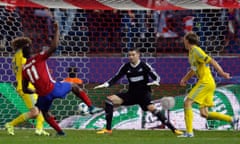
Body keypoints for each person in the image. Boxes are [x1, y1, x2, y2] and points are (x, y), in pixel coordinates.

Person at [20, 22, 102, 136]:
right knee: (73, 86)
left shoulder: (23, 70)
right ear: (32, 52)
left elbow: (24, 89)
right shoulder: (38, 58)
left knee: (45, 113)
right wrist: (57, 29)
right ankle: (91, 107)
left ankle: (60, 132)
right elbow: (54, 47)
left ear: (23, 56)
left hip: (43, 96)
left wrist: (34, 91)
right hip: (53, 88)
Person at [94, 47, 183, 135]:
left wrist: (156, 82)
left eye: (133, 55)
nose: (131, 57)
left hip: (144, 95)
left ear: (138, 55)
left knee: (152, 108)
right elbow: (116, 77)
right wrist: (106, 84)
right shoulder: (126, 66)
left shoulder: (144, 65)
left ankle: (174, 129)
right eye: (129, 55)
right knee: (109, 100)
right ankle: (108, 129)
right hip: (131, 94)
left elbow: (156, 77)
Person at [178, 32, 239, 137]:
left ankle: (189, 132)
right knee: (204, 113)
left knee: (187, 102)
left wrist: (222, 73)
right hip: (208, 82)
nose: (183, 41)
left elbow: (212, 61)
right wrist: (185, 79)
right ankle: (232, 120)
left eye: (184, 39)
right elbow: (194, 69)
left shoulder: (197, 51)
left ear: (187, 41)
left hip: (205, 82)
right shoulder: (191, 53)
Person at [5, 38, 49, 136]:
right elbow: (28, 69)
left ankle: (39, 129)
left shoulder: (15, 57)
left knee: (40, 108)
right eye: (29, 46)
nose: (30, 48)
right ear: (25, 46)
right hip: (26, 87)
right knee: (34, 112)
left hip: (28, 86)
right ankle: (10, 124)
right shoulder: (22, 56)